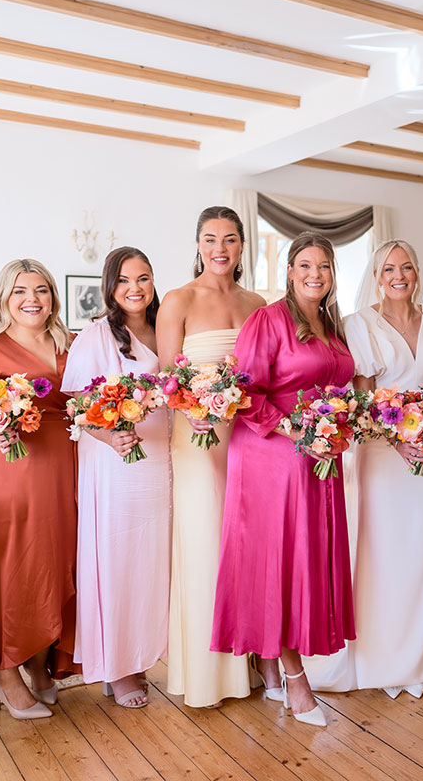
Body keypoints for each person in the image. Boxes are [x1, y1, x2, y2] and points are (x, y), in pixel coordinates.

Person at [210, 231, 356, 727]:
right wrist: (296, 430)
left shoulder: (331, 324)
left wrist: (335, 428)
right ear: (290, 271)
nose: (316, 274)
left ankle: (271, 664)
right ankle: (296, 681)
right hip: (272, 455)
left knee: (305, 561)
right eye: (306, 265)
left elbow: (339, 388)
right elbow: (245, 392)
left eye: (324, 266)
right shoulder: (268, 320)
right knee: (281, 563)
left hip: (318, 457)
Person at [306, 240, 423, 699]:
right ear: (376, 276)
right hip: (381, 450)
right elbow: (363, 396)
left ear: (417, 272)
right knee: (385, 551)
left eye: (406, 267)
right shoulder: (359, 324)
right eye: (389, 269)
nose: (398, 276)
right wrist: (399, 440)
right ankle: (383, 655)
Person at [0, 259, 77, 718]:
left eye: (41, 290)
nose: (31, 299)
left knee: (54, 571)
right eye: (20, 291)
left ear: (52, 298)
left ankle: (40, 667)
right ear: (4, 298)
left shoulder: (71, 344)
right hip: (6, 478)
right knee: (14, 577)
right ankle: (6, 674)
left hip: (63, 477)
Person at [157, 206, 266, 708]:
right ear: (198, 244)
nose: (219, 249)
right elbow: (167, 376)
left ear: (242, 245)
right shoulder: (178, 299)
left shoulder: (257, 303)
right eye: (209, 239)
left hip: (248, 438)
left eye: (229, 239)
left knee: (246, 544)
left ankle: (250, 660)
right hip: (198, 439)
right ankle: (207, 675)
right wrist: (191, 409)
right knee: (205, 544)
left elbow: (263, 375)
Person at [61, 247, 170, 708]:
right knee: (120, 558)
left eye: (143, 278)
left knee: (153, 562)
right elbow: (75, 404)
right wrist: (110, 437)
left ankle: (142, 656)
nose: (135, 288)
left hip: (163, 459)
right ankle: (119, 667)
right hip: (117, 464)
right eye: (124, 280)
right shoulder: (96, 336)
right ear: (110, 286)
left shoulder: (165, 328)